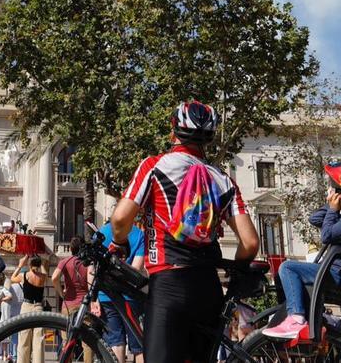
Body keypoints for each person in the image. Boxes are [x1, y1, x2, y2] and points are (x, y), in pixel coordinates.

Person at [111, 101, 259, 363]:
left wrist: (120, 243)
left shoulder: (154, 166)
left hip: (169, 283)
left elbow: (121, 220)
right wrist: (236, 269)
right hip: (208, 289)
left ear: (173, 131)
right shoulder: (224, 180)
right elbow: (250, 242)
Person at [264, 159, 341, 340]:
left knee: (287, 267)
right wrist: (333, 205)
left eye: (335, 188)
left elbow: (326, 235)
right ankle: (290, 314)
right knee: (281, 276)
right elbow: (314, 219)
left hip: (340, 276)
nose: (331, 191)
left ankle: (296, 319)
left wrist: (334, 209)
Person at [95, 217, 145, 363]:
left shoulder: (101, 232)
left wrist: (94, 299)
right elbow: (136, 269)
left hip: (106, 295)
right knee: (138, 345)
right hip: (130, 296)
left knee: (116, 342)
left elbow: (92, 267)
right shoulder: (138, 234)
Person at [52, 237, 93, 363]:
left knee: (66, 339)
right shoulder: (87, 263)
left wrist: (61, 293)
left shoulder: (65, 261)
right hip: (84, 304)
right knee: (88, 341)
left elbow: (54, 278)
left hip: (68, 304)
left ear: (70, 248)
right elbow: (91, 283)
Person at [12, 257, 49, 363]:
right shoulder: (43, 277)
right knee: (39, 340)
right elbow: (45, 272)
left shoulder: (24, 276)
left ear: (29, 265)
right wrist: (42, 264)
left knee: (24, 338)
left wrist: (20, 265)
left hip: (26, 307)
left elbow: (12, 278)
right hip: (38, 307)